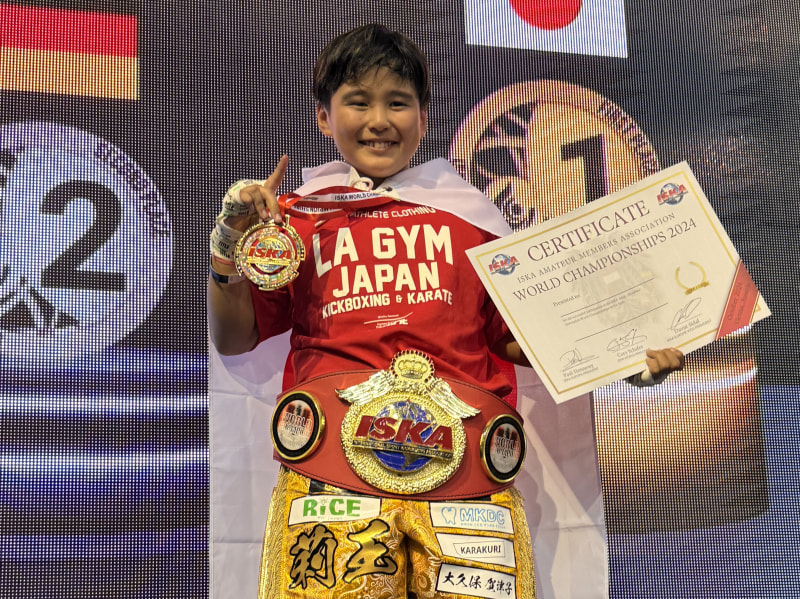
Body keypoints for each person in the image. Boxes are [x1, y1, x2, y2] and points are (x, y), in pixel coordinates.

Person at [208, 23, 684, 599]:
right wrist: (229, 243)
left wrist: (618, 359)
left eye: (398, 102)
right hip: (331, 478)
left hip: (467, 485)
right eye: (357, 101)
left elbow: (519, 336)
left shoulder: (472, 218)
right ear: (323, 118)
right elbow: (235, 337)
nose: (379, 120)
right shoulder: (298, 219)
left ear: (424, 117)